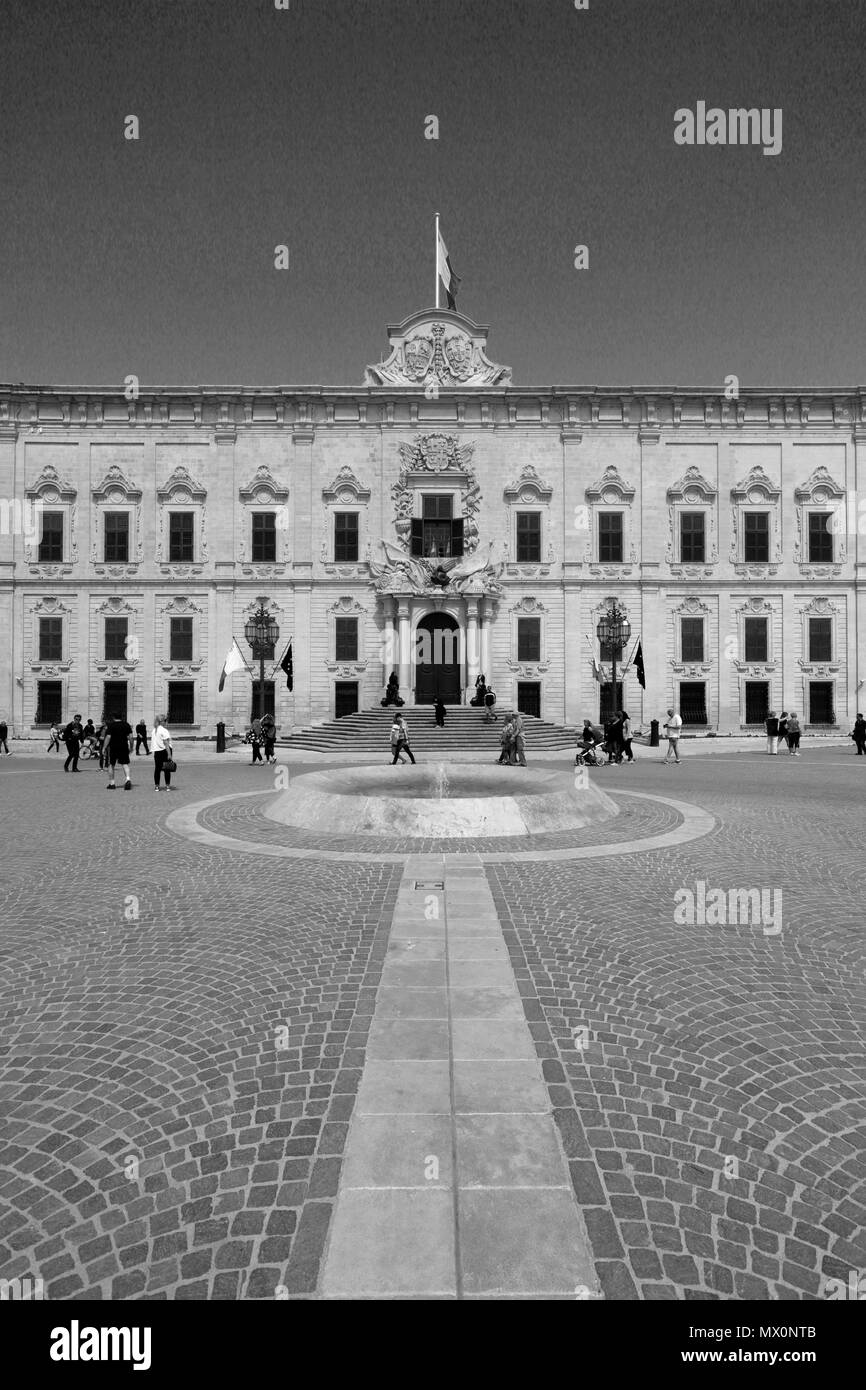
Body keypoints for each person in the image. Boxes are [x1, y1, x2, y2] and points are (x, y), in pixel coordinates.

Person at [104, 713, 133, 790]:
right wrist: (132, 747)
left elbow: (108, 737)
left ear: (113, 717)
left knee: (111, 764)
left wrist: (104, 747)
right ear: (121, 717)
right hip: (123, 746)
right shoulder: (126, 725)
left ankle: (112, 783)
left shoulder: (111, 725)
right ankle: (128, 779)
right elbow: (130, 737)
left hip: (113, 747)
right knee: (125, 764)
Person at [151, 716, 174, 789]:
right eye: (165, 720)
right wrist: (169, 754)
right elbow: (166, 743)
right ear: (162, 721)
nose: (166, 722)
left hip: (157, 752)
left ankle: (157, 786)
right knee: (167, 769)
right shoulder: (164, 730)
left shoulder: (154, 730)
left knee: (157, 769)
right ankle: (167, 786)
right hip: (164, 751)